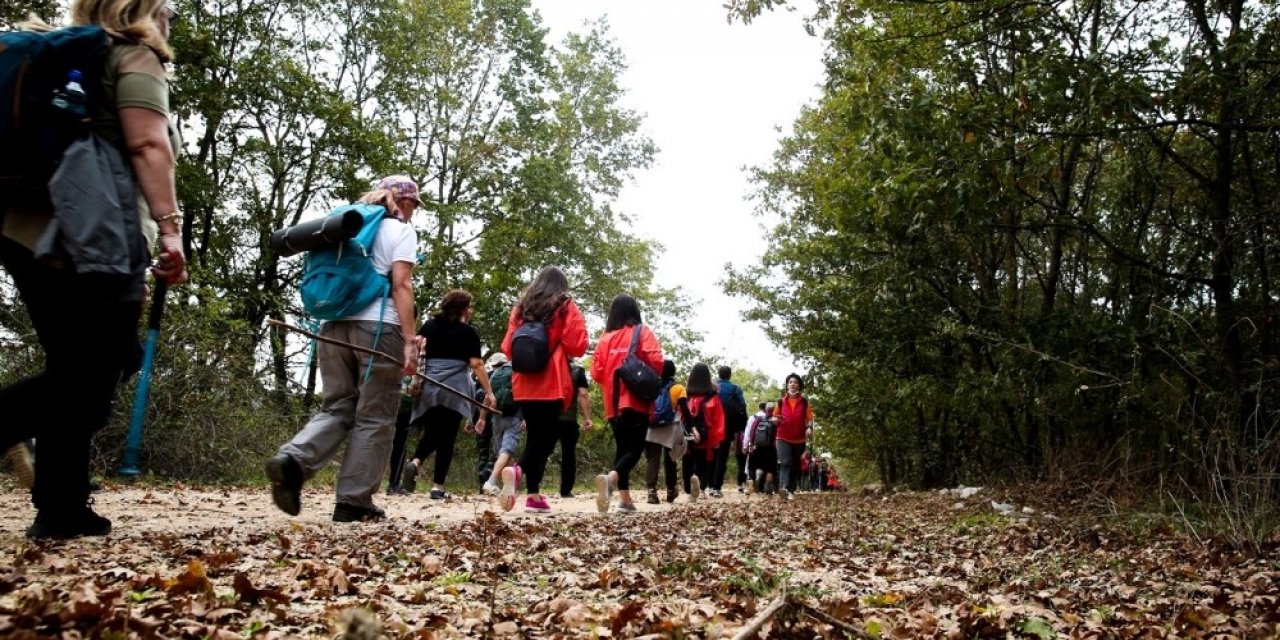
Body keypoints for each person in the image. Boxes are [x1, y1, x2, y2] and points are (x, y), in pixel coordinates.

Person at [0, 0, 188, 539]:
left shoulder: (62, 58)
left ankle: (61, 507)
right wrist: (170, 229)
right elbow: (148, 142)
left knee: (74, 365)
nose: (172, 12)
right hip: (95, 236)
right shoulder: (133, 53)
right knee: (104, 364)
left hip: (24, 230)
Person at [266, 176, 420, 523]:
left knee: (338, 405)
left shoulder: (342, 225)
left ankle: (293, 460)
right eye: (413, 204)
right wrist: (410, 342)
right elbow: (401, 284)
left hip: (332, 325)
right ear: (404, 202)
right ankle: (354, 501)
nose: (413, 212)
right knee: (376, 415)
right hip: (380, 328)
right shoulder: (400, 232)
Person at [500, 266, 588, 513]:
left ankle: (534, 496)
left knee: (535, 437)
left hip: (524, 382)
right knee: (546, 439)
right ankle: (517, 471)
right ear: (562, 285)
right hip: (551, 381)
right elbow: (577, 345)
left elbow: (508, 347)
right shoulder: (564, 305)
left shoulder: (521, 308)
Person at [400, 289, 496, 500]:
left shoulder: (429, 326)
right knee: (447, 436)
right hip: (455, 387)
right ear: (462, 308)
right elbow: (476, 364)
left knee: (432, 430)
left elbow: (417, 350)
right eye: (469, 306)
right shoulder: (468, 332)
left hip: (429, 385)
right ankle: (437, 486)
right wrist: (489, 392)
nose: (470, 311)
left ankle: (416, 462)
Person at [590, 295, 664, 513]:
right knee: (635, 449)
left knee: (623, 449)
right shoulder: (641, 331)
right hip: (634, 400)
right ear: (634, 311)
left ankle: (625, 500)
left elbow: (596, 372)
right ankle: (611, 480)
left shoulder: (605, 338)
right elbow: (657, 361)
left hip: (611, 403)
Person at [480, 352, 524, 511]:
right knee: (507, 451)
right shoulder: (517, 372)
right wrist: (526, 418)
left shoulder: (494, 376)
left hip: (496, 418)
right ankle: (491, 481)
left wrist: (482, 418)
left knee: (503, 455)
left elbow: (487, 398)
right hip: (513, 417)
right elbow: (524, 395)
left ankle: (510, 490)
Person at [680, 363, 725, 503]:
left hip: (688, 436)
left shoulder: (686, 396)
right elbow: (719, 419)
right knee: (704, 463)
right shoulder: (713, 397)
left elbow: (679, 416)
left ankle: (689, 491)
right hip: (706, 437)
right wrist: (717, 440)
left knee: (687, 462)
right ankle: (701, 489)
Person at [644, 360, 684, 504]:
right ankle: (671, 490)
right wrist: (692, 428)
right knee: (670, 460)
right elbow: (685, 409)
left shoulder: (652, 385)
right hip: (670, 427)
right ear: (673, 371)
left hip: (653, 426)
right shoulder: (678, 388)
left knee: (653, 459)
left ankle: (651, 491)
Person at [552, 359, 593, 498]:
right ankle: (566, 490)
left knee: (541, 452)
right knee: (568, 454)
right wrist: (588, 418)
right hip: (568, 420)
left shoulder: (549, 365)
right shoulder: (578, 370)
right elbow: (583, 394)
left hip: (549, 418)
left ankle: (533, 488)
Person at [775, 373, 814, 500]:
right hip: (782, 437)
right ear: (787, 385)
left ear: (799, 386)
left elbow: (809, 419)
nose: (793, 384)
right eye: (790, 382)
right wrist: (775, 420)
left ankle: (791, 490)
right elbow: (775, 417)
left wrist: (808, 428)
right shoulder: (780, 402)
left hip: (799, 439)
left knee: (795, 465)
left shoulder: (804, 402)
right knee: (785, 462)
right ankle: (783, 488)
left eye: (795, 382)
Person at [711, 366, 747, 497]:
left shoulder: (712, 386)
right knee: (722, 457)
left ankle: (706, 485)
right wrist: (740, 427)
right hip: (727, 427)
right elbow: (742, 407)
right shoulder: (735, 389)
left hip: (711, 425)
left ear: (719, 374)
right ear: (730, 375)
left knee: (710, 455)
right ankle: (716, 487)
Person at [743, 402, 778, 495]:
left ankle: (757, 478)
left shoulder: (758, 419)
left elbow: (752, 432)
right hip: (771, 447)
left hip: (758, 446)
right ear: (774, 410)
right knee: (770, 468)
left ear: (765, 409)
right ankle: (767, 486)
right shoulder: (776, 420)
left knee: (759, 466)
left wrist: (750, 444)